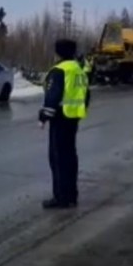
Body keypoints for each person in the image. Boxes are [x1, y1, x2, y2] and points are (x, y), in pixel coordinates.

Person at [38, 39, 90, 209]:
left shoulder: (59, 70)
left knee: (58, 158)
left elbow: (53, 96)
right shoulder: (79, 69)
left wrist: (44, 116)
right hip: (73, 118)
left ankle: (61, 197)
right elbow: (86, 94)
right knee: (70, 157)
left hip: (60, 118)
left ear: (58, 53)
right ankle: (71, 195)